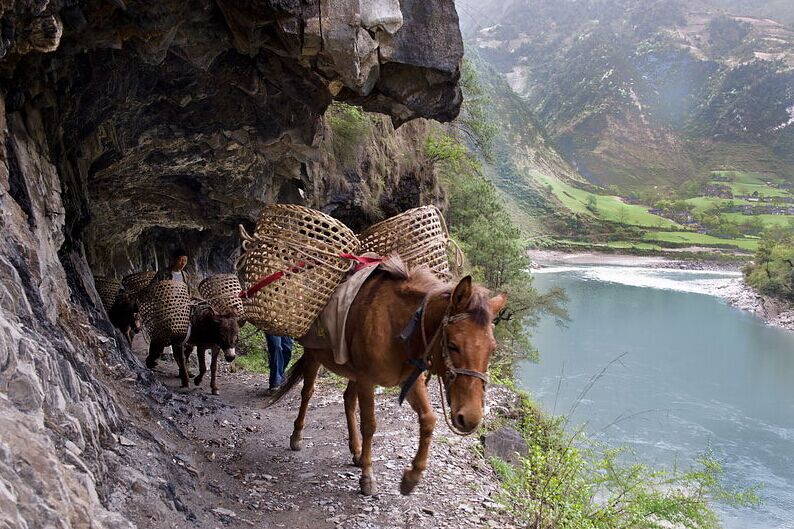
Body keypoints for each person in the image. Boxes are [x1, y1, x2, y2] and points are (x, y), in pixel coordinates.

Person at [145, 248, 196, 369]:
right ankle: (152, 361)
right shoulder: (163, 274)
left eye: (185, 261)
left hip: (180, 311)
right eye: (180, 260)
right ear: (173, 260)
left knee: (181, 338)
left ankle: (183, 368)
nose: (183, 263)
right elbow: (153, 288)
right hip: (165, 310)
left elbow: (188, 292)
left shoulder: (185, 275)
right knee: (160, 336)